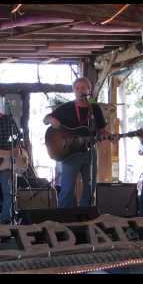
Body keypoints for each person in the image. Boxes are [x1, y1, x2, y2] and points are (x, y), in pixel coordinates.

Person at [43, 77, 108, 208]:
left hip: (89, 152)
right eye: (77, 88)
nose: (80, 91)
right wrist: (51, 119)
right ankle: (63, 219)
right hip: (70, 154)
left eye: (83, 88)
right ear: (73, 90)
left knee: (89, 186)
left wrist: (109, 136)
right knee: (67, 189)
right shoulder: (66, 108)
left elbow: (102, 130)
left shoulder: (94, 108)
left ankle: (85, 215)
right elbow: (45, 119)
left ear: (89, 90)